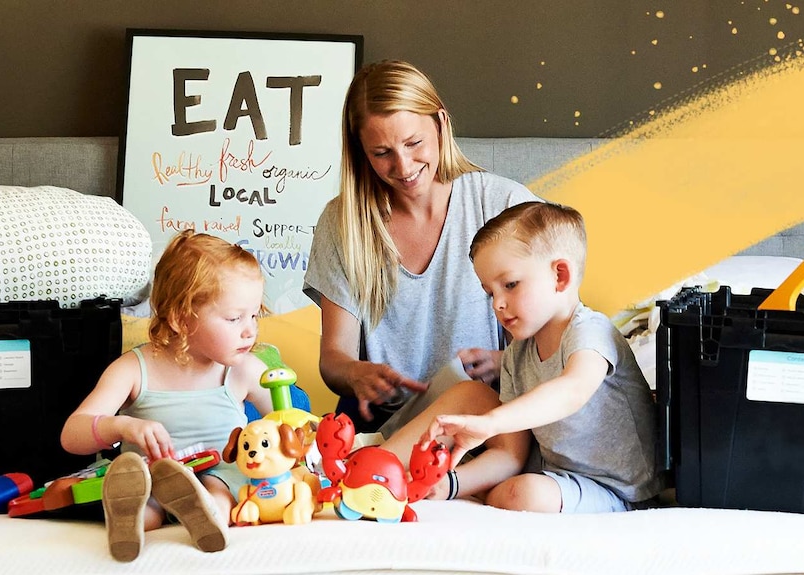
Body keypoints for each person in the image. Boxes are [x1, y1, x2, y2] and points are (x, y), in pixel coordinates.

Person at [303, 59, 541, 435]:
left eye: (414, 143)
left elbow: (553, 334)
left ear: (441, 125)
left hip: (482, 413)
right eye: (381, 153)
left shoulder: (502, 204)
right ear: (360, 151)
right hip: (381, 420)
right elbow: (334, 359)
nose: (403, 166)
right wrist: (355, 373)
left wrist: (505, 362)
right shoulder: (342, 223)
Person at [404, 201, 662, 513]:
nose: (498, 304)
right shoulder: (517, 354)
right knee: (469, 394)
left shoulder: (590, 331)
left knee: (524, 494)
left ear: (560, 276)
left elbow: (572, 391)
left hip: (617, 491)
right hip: (553, 473)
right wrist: (450, 484)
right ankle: (378, 468)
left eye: (510, 285)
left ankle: (477, 488)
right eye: (490, 293)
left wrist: (490, 423)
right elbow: (512, 452)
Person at [60, 230, 273, 561]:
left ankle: (206, 515)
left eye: (254, 315)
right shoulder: (133, 369)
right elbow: (72, 435)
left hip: (219, 472)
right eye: (234, 318)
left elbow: (288, 421)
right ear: (181, 318)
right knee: (148, 499)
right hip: (154, 477)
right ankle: (129, 520)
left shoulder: (244, 369)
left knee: (220, 485)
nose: (250, 330)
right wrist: (122, 427)